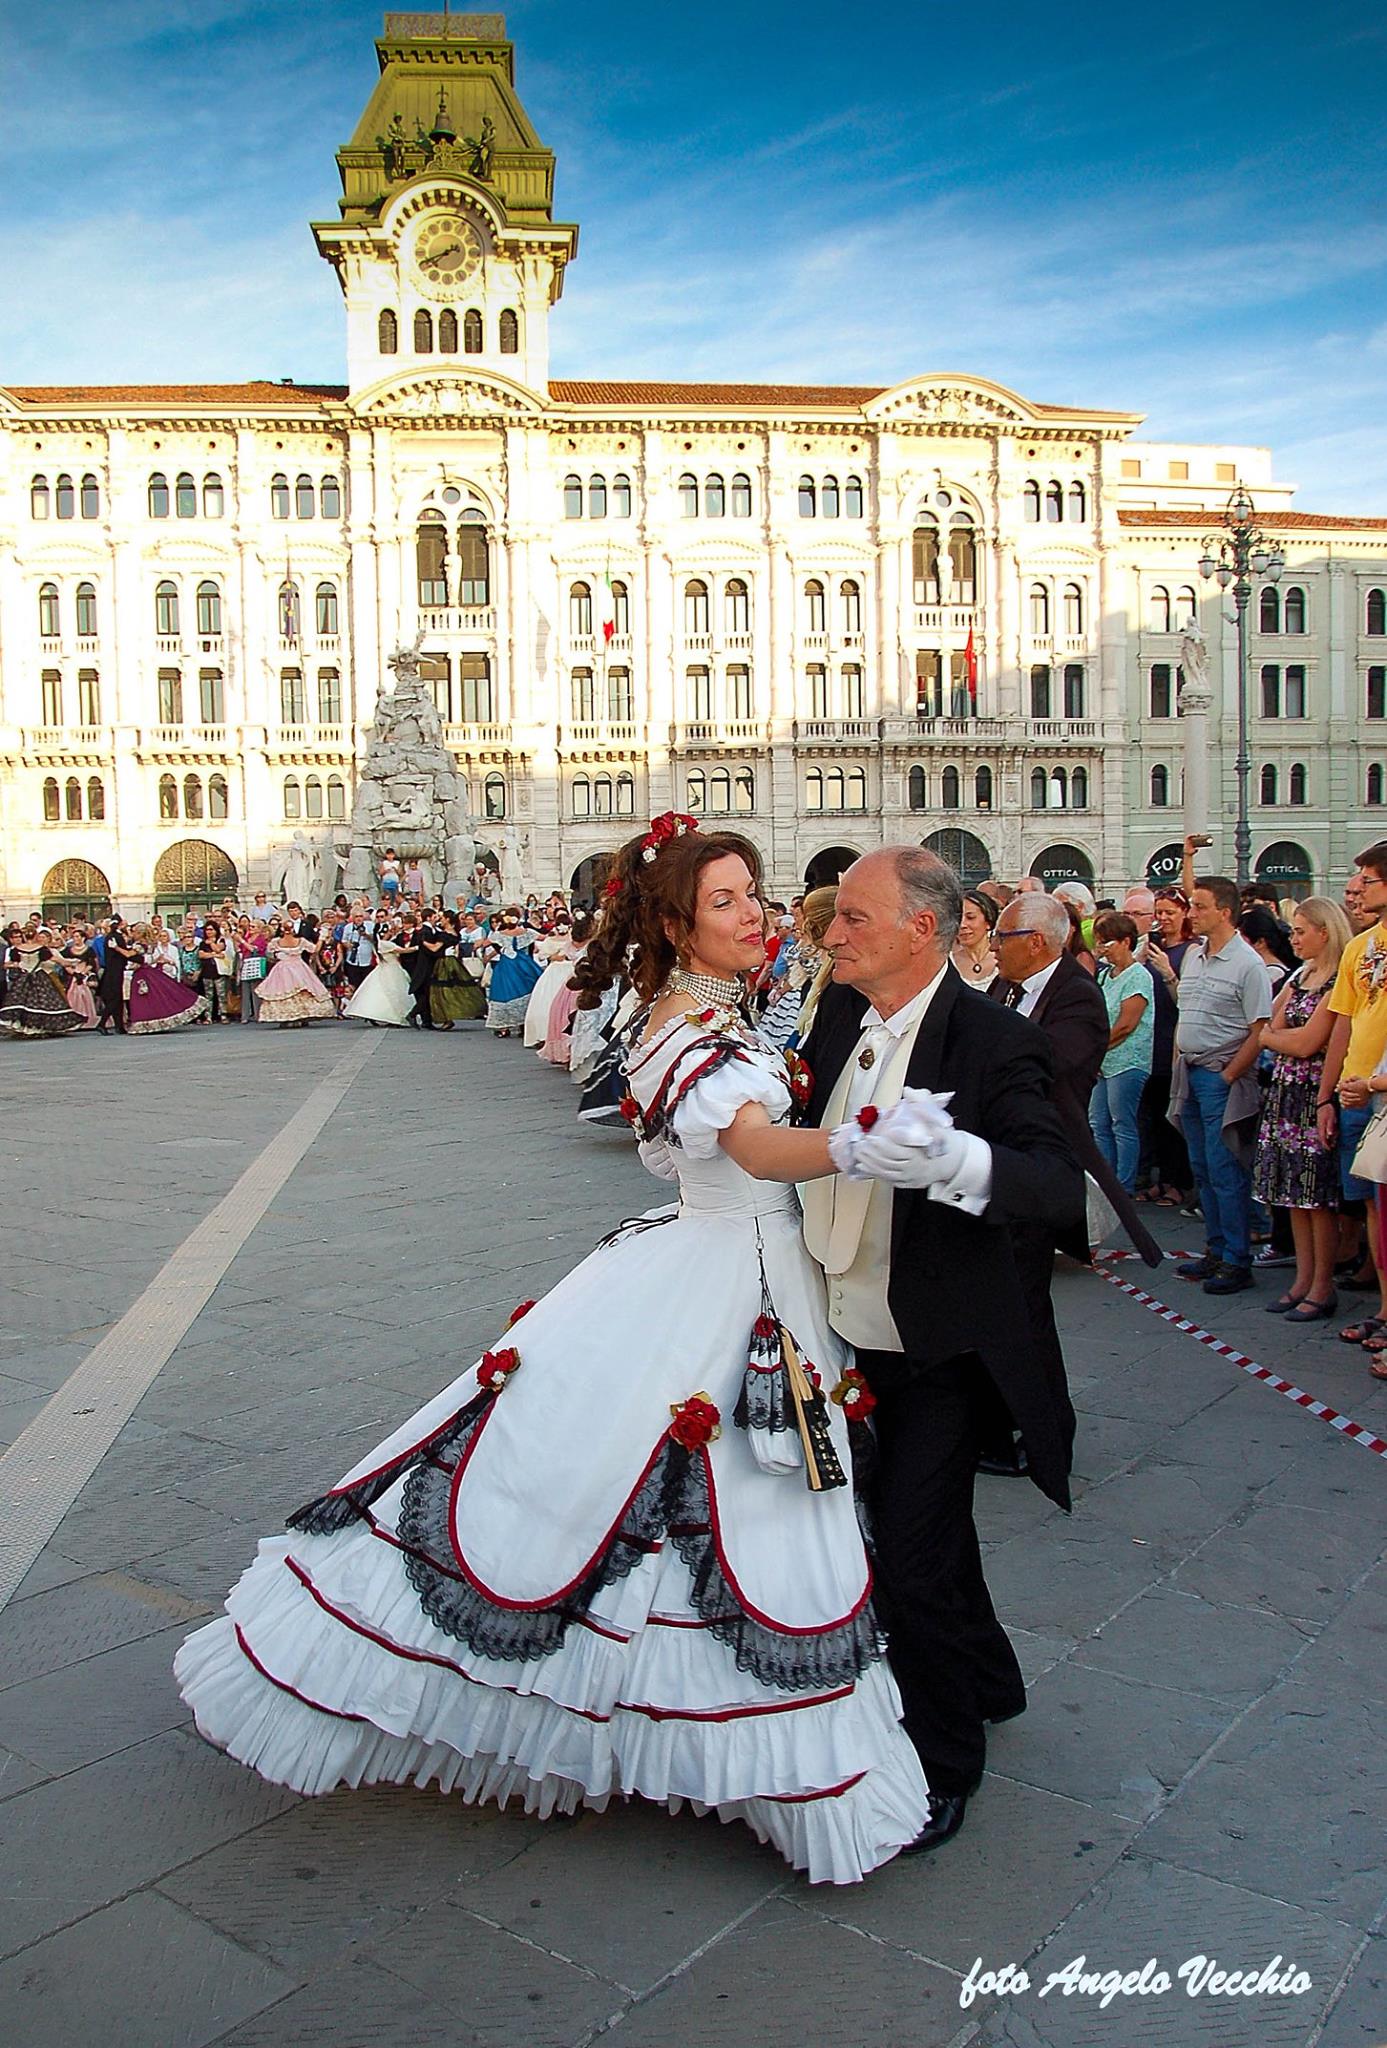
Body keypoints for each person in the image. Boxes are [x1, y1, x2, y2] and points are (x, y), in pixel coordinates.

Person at [175, 819, 941, 1885]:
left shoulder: (711, 1013)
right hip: (724, 1281)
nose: (752, 912)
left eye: (751, 893)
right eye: (725, 900)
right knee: (720, 1505)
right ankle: (761, 1759)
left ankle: (733, 1749)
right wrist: (868, 1144)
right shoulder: (688, 1024)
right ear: (675, 923)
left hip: (751, 1274)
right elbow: (756, 1147)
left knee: (729, 1507)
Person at [796, 849, 1085, 1853]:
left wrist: (953, 1161)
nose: (830, 934)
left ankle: (944, 1759)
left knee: (908, 1553)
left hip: (942, 1346)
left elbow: (1055, 1187)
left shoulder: (994, 1037)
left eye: (851, 919)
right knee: (927, 1531)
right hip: (846, 1329)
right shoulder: (835, 1014)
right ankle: (993, 1676)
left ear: (922, 927)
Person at [1160, 876, 1274, 1295]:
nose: (1192, 913)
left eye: (1200, 906)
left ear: (1224, 912)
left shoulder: (1248, 964)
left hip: (1219, 1074)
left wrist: (1228, 1075)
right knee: (1203, 1168)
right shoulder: (1195, 956)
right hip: (1190, 1071)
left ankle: (1236, 1258)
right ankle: (1217, 1248)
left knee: (1225, 1167)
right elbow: (1185, 1011)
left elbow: (1259, 1027)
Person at [1253, 897, 1350, 1320]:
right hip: (1286, 1091)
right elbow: (1264, 1027)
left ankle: (1322, 1285)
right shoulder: (1301, 973)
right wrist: (1281, 1037)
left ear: (1324, 932)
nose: (1293, 938)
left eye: (1300, 931)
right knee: (1291, 1193)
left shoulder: (1336, 980)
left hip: (1314, 1093)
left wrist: (1281, 1038)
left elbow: (1308, 1041)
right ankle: (1302, 1280)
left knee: (1316, 1195)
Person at [1319, 842, 1387, 1359]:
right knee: (1369, 1208)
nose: (1358, 887)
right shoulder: (1361, 947)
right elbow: (1343, 1022)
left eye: (1368, 878)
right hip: (1354, 1092)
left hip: (1378, 1091)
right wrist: (1327, 1095)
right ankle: (1384, 1310)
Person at [1089, 912, 1153, 1194]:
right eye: (1100, 943)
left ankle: (1123, 1184)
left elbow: (1127, 1024)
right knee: (1098, 1122)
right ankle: (1105, 1181)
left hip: (1128, 1061)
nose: (1102, 949)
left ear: (1126, 942)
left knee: (1121, 1123)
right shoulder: (1105, 975)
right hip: (1104, 1062)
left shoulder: (1139, 976)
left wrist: (1096, 1049)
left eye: (1107, 943)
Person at [125, 926, 208, 1033]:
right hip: (148, 971)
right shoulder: (150, 945)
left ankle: (147, 1021)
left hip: (142, 973)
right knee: (154, 997)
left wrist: (117, 947)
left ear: (141, 934)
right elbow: (149, 959)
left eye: (135, 932)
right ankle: (154, 1020)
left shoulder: (139, 945)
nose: (133, 934)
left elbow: (128, 954)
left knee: (145, 998)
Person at [0, 934, 85, 1038]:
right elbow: (56, 960)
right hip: (39, 976)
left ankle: (28, 1028)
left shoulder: (17, 949)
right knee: (45, 1002)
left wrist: (19, 965)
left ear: (25, 937)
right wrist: (70, 962)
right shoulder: (41, 949)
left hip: (24, 977)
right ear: (35, 936)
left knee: (23, 1002)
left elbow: (8, 964)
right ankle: (38, 1028)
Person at [257, 927, 335, 1027]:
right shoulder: (277, 942)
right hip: (289, 968)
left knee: (297, 990)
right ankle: (290, 1016)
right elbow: (315, 949)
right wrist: (321, 937)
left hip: (292, 967)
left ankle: (299, 1016)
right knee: (286, 991)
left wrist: (321, 937)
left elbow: (314, 949)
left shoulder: (298, 941)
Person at [343, 925, 414, 1026]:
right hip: (392, 969)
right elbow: (403, 950)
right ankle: (394, 1015)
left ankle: (376, 1014)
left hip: (383, 969)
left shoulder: (378, 944)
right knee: (393, 992)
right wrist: (418, 947)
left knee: (380, 992)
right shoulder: (386, 944)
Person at [950, 888, 1000, 990]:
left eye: (970, 917)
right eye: (958, 918)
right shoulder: (947, 962)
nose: (962, 925)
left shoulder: (1004, 961)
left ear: (988, 921)